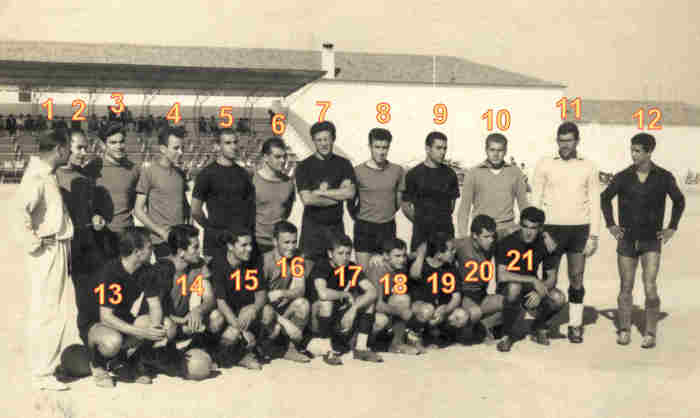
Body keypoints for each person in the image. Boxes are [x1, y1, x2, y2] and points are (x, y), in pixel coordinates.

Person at [600, 133, 685, 348]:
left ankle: (650, 333)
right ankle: (624, 330)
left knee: (650, 287)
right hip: (626, 240)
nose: (633, 154)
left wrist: (672, 228)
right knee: (625, 287)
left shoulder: (663, 176)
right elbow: (605, 198)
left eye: (638, 151)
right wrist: (611, 225)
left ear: (649, 152)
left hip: (651, 241)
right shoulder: (623, 176)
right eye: (632, 150)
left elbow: (679, 201)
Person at [14, 129, 75, 391]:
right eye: (68, 148)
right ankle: (42, 372)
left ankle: (43, 367)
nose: (70, 153)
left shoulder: (46, 174)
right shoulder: (37, 176)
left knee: (51, 309)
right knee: (48, 310)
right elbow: (18, 213)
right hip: (47, 250)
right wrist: (36, 241)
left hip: (56, 246)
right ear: (59, 149)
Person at [531, 121, 601, 343]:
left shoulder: (588, 166)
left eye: (569, 141)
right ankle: (542, 324)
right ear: (557, 141)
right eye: (561, 141)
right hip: (551, 230)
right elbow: (535, 201)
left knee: (576, 277)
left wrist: (594, 235)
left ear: (577, 141)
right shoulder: (545, 164)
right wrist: (540, 232)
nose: (565, 145)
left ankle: (575, 325)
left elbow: (595, 202)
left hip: (579, 230)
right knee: (549, 279)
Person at [77, 227, 168, 388]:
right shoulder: (110, 272)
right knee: (113, 341)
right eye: (150, 247)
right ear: (137, 252)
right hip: (95, 323)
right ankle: (97, 363)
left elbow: (155, 305)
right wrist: (143, 333)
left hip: (121, 318)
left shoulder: (146, 270)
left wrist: (155, 330)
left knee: (165, 326)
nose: (153, 250)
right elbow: (106, 317)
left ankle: (130, 361)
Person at [494, 207, 567, 352]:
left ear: (540, 229)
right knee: (515, 287)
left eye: (533, 228)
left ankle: (538, 326)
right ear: (520, 224)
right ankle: (506, 334)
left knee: (559, 298)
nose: (528, 232)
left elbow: (552, 277)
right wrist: (533, 280)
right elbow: (502, 275)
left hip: (529, 289)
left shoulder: (545, 243)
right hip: (508, 288)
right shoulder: (508, 241)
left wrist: (540, 292)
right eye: (525, 226)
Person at [307, 234, 382, 365]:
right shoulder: (322, 265)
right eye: (340, 253)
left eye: (348, 253)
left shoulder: (352, 267)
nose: (345, 257)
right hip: (316, 320)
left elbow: (372, 291)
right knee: (326, 303)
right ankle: (327, 350)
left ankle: (361, 348)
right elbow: (323, 294)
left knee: (369, 301)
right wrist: (345, 295)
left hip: (338, 317)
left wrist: (353, 309)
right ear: (330, 253)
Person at [210, 229, 277, 370]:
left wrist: (254, 308)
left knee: (267, 311)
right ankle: (223, 353)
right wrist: (240, 330)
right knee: (217, 320)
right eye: (244, 245)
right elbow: (221, 303)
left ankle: (253, 350)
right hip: (227, 315)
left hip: (246, 312)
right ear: (230, 246)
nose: (249, 249)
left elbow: (262, 293)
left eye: (250, 244)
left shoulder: (253, 260)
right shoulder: (218, 263)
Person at [295, 121, 356, 264]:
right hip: (311, 231)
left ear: (333, 139)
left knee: (336, 271)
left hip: (336, 228)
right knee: (309, 271)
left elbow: (349, 193)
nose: (323, 144)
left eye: (326, 139)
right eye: (319, 140)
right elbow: (308, 200)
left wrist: (321, 193)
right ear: (313, 141)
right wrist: (338, 196)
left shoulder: (344, 164)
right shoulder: (304, 166)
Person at [192, 128, 255, 261]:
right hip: (215, 242)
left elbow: (251, 208)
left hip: (239, 242)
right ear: (217, 146)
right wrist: (211, 229)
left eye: (235, 142)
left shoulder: (244, 174)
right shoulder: (206, 174)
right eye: (228, 143)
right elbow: (195, 211)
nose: (233, 146)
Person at [349, 128, 404, 268]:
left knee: (386, 271)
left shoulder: (397, 170)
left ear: (389, 147)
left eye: (384, 147)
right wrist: (361, 217)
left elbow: (398, 202)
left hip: (387, 227)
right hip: (364, 228)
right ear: (370, 147)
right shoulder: (357, 171)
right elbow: (350, 202)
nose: (381, 151)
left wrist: (385, 213)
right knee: (364, 272)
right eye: (377, 147)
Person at [457, 133, 529, 240]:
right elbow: (464, 209)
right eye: (492, 150)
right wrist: (463, 237)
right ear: (486, 150)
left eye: (500, 150)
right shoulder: (473, 173)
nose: (496, 154)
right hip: (482, 233)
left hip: (508, 231)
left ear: (505, 151)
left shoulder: (515, 172)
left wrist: (523, 230)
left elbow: (524, 205)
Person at [56, 129, 106, 280]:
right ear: (66, 147)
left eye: (86, 148)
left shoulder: (86, 177)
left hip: (83, 246)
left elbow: (90, 210)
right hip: (59, 246)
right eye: (79, 148)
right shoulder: (52, 176)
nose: (84, 153)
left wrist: (96, 216)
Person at [259, 221, 313, 362]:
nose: (291, 247)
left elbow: (300, 290)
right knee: (268, 315)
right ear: (275, 241)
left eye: (294, 242)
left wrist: (282, 293)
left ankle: (290, 349)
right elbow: (258, 299)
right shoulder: (264, 261)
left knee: (302, 304)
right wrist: (285, 323)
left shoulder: (297, 259)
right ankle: (262, 347)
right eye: (286, 242)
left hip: (282, 306)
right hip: (265, 310)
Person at [87, 122, 140, 259]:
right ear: (103, 145)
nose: (119, 146)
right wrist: (94, 215)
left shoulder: (134, 169)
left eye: (121, 142)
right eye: (113, 142)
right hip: (100, 236)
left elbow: (135, 203)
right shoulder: (92, 168)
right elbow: (84, 203)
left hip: (127, 235)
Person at [135, 126, 189, 258]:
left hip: (182, 239)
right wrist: (161, 232)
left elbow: (185, 205)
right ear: (163, 149)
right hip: (162, 241)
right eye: (176, 148)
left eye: (182, 148)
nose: (181, 152)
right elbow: (138, 210)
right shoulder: (149, 172)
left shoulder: (180, 173)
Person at [401, 131, 460, 252]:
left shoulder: (450, 174)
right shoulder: (414, 174)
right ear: (428, 149)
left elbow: (452, 206)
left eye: (445, 148)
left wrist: (439, 221)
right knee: (419, 264)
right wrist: (421, 222)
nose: (442, 152)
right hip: (421, 235)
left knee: (447, 263)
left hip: (445, 233)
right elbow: (405, 206)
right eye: (438, 148)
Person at [408, 232, 468, 349]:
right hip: (420, 307)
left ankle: (441, 336)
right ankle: (413, 336)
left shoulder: (451, 268)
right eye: (451, 250)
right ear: (439, 254)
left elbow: (456, 298)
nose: (454, 252)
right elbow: (414, 274)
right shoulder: (421, 264)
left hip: (438, 309)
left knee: (462, 315)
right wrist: (420, 255)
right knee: (428, 310)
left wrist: (445, 310)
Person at [454, 215, 505, 344]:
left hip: (482, 295)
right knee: (466, 336)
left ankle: (483, 326)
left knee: (511, 302)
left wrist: (545, 235)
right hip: (466, 297)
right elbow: (430, 245)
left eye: (492, 236)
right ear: (474, 236)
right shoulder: (462, 244)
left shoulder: (492, 243)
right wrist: (419, 258)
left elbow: (513, 231)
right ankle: (471, 328)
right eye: (486, 237)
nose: (491, 240)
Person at [366, 238, 421, 354]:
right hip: (368, 312)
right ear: (385, 256)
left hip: (386, 308)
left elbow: (414, 254)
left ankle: (397, 344)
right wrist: (401, 312)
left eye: (403, 256)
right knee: (381, 320)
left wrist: (420, 254)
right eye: (397, 256)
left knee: (402, 299)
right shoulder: (377, 268)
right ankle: (364, 344)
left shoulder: (398, 265)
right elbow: (377, 305)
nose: (402, 260)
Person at [253, 137, 295, 256]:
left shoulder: (288, 183)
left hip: (279, 246)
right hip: (255, 243)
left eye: (284, 157)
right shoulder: (252, 180)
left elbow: (286, 212)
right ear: (265, 157)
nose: (283, 160)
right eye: (277, 157)